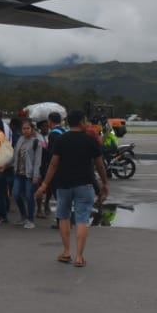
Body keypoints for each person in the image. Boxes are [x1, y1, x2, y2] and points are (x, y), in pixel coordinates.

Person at [36, 110, 109, 267]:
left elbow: (53, 164)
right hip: (85, 184)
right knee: (82, 219)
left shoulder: (61, 140)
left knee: (64, 217)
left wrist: (44, 184)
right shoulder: (91, 140)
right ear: (81, 122)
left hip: (63, 184)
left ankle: (67, 252)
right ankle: (79, 257)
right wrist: (104, 183)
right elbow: (100, 165)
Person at [12, 118, 43, 228]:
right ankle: (23, 215)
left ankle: (30, 219)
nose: (25, 131)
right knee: (16, 194)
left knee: (30, 196)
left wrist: (36, 175)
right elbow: (14, 154)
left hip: (29, 174)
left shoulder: (36, 142)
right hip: (18, 172)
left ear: (32, 129)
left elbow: (38, 160)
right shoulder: (20, 139)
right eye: (24, 128)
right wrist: (4, 164)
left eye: (28, 128)